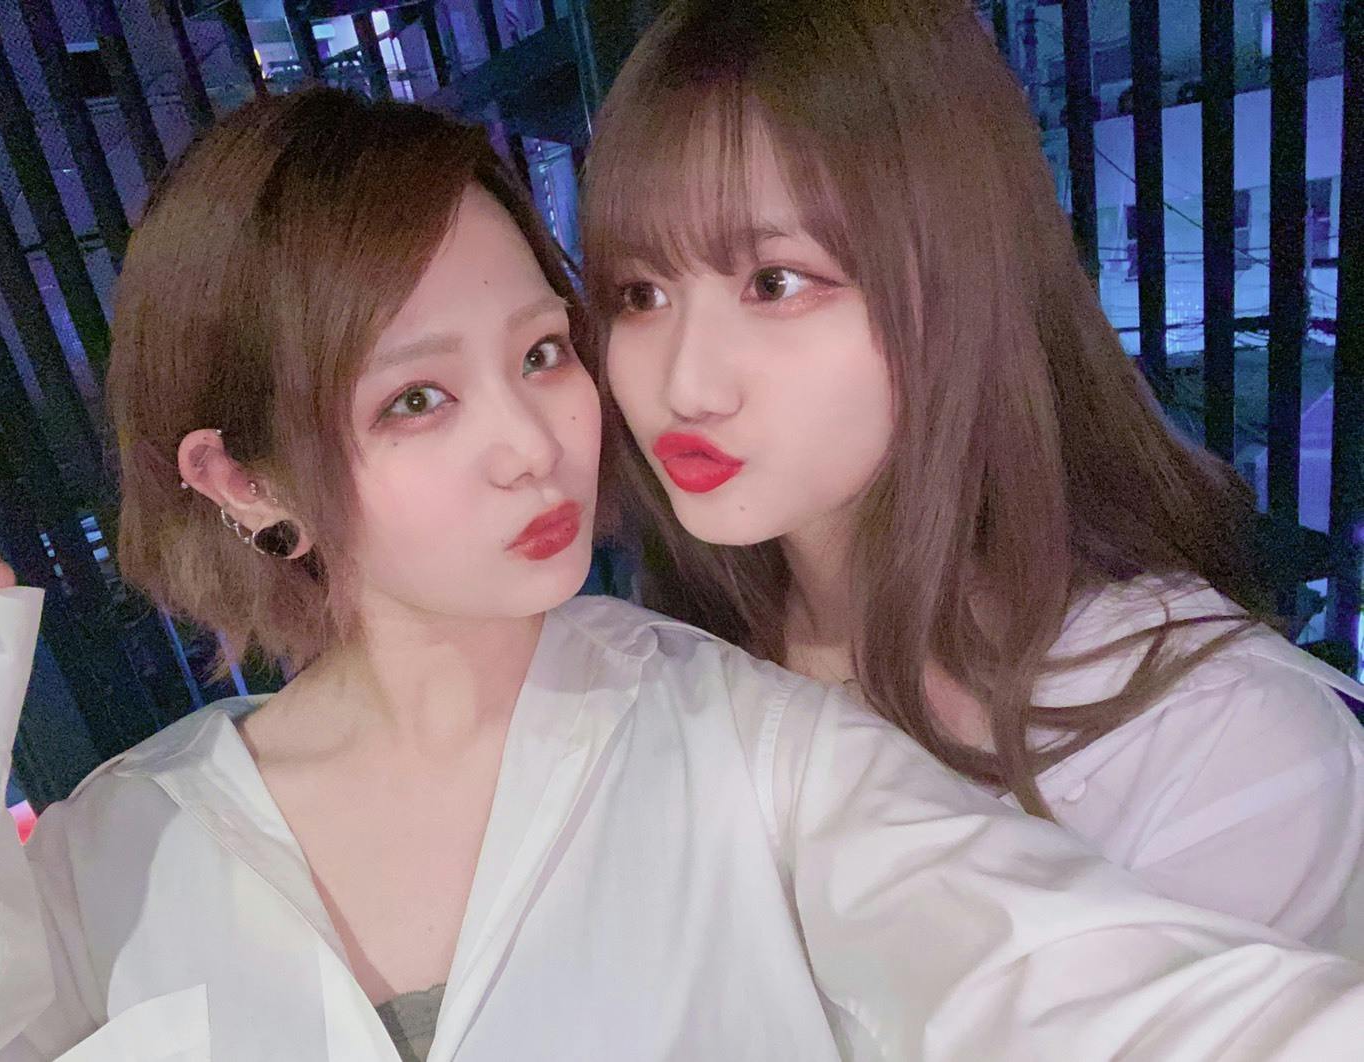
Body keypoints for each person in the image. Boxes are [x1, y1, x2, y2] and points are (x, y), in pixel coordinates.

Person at [0, 88, 1364, 1062]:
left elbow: (1090, 985)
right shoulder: (122, 844)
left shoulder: (752, 748)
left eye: (541, 352)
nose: (531, 443)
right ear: (246, 481)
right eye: (415, 399)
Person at [583, 0, 1364, 955]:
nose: (683, 386)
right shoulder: (675, 657)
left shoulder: (1216, 750)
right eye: (640, 294)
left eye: (774, 282)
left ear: (961, 280)